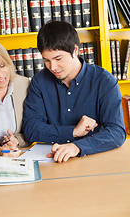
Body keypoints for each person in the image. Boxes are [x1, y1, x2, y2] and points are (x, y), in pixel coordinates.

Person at [22, 21, 126, 163]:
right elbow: (31, 129)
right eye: (46, 60)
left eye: (58, 58)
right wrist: (72, 132)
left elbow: (117, 132)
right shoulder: (39, 82)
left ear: (75, 50)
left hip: (95, 161)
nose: (52, 67)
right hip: (52, 161)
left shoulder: (104, 81)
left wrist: (76, 147)